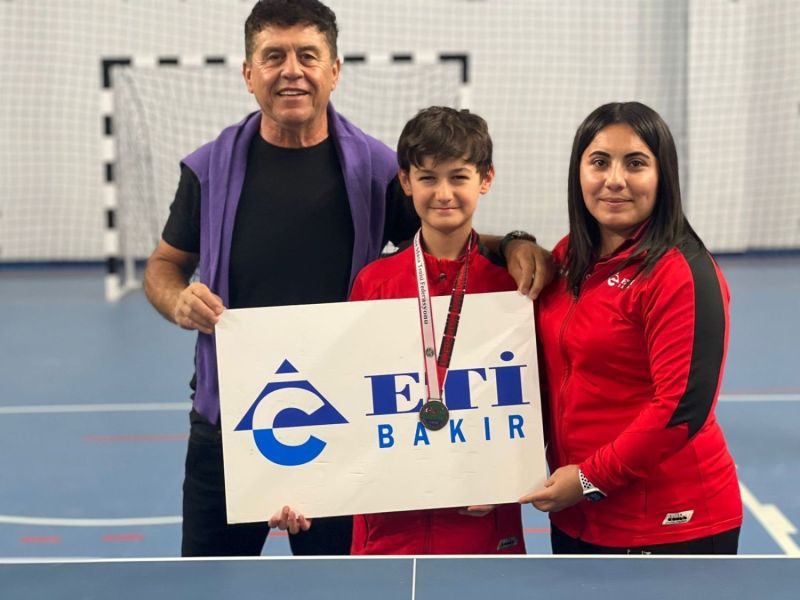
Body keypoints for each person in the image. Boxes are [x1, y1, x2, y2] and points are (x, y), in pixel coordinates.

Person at [144, 0, 550, 557]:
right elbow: (164, 265)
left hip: (344, 427)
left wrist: (516, 243)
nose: (292, 70)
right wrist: (177, 301)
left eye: (308, 56)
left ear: (334, 71)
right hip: (228, 423)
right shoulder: (208, 168)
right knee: (210, 585)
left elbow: (442, 228)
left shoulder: (376, 171)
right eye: (273, 56)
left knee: (335, 586)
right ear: (248, 73)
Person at [272, 106, 526, 555]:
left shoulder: (513, 286)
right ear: (405, 181)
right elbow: (347, 399)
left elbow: (531, 403)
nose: (443, 193)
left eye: (459, 177)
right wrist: (304, 488)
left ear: (486, 179)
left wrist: (505, 479)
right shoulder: (374, 283)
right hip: (386, 535)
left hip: (484, 534)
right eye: (428, 178)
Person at [520, 101, 743, 554]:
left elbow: (680, 409)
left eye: (636, 163)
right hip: (579, 518)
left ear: (663, 177)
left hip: (671, 524)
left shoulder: (680, 273)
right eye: (600, 162)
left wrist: (589, 479)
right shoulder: (567, 257)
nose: (615, 179)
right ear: (578, 172)